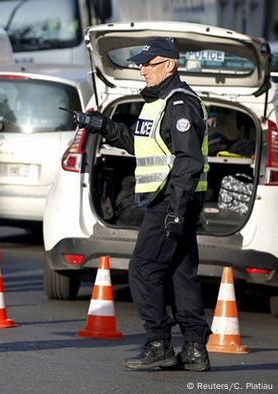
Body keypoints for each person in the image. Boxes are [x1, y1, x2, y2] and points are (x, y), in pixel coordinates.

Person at [73, 38, 211, 372]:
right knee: (181, 274)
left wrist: (176, 210)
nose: (142, 69)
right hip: (169, 202)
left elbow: (188, 161)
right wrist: (103, 127)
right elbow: (142, 145)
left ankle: (159, 344)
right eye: (141, 63)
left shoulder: (180, 103)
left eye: (149, 63)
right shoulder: (157, 103)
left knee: (143, 270)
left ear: (170, 65)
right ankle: (194, 350)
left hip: (170, 201)